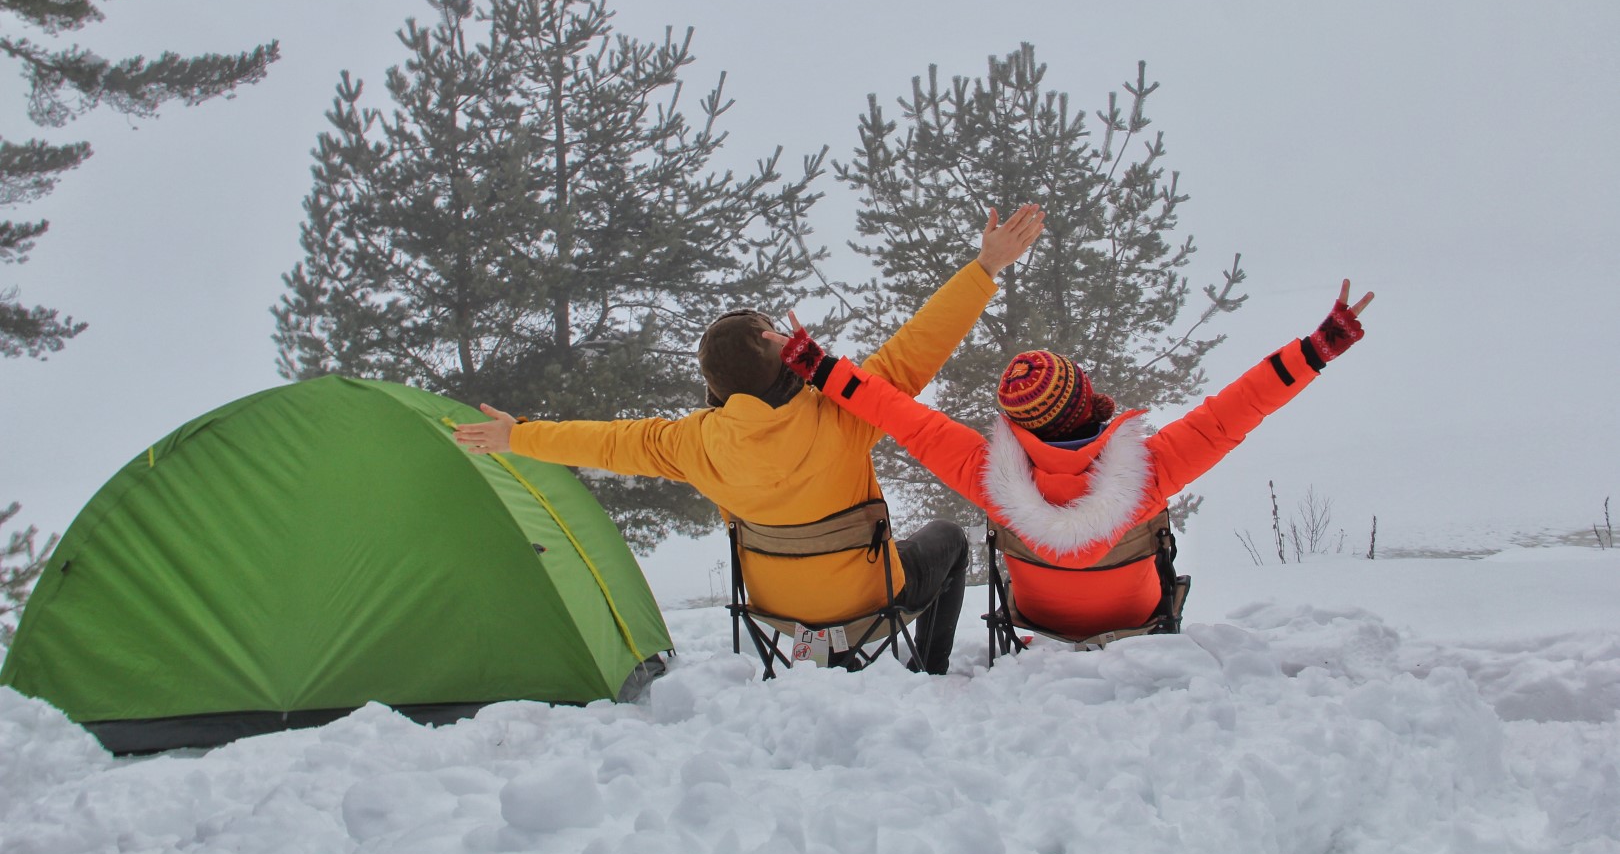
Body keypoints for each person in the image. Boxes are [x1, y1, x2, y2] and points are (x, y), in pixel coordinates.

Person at [453, 204, 1046, 674]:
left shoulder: (693, 443)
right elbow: (918, 347)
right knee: (946, 538)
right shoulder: (844, 413)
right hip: (872, 605)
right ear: (788, 361)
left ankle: (823, 658)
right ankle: (931, 672)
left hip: (779, 618)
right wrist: (984, 268)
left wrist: (520, 437)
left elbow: (604, 443)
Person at [766, 281, 1374, 638]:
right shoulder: (1151, 470)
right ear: (1088, 399)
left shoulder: (988, 475)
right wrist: (1317, 350)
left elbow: (899, 415)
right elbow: (1235, 410)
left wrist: (820, 366)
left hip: (1035, 612)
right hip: (1136, 614)